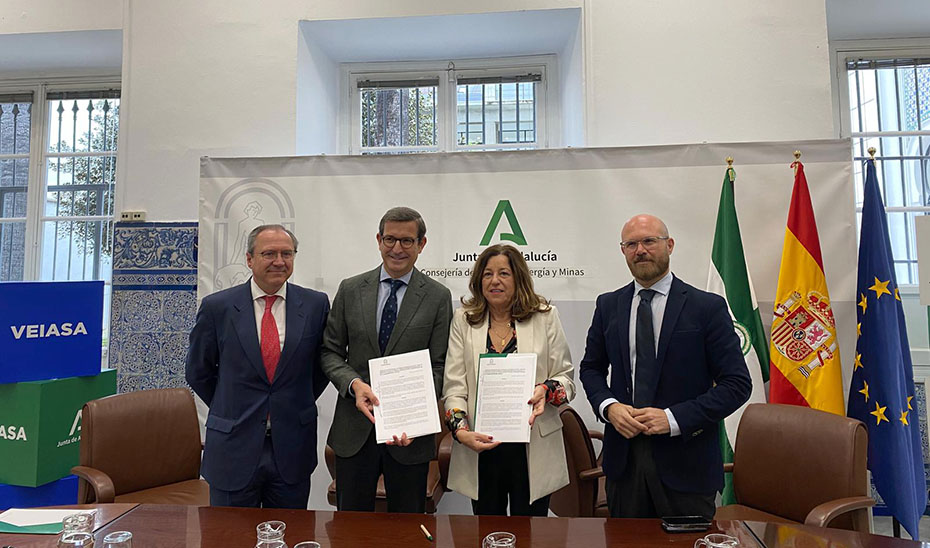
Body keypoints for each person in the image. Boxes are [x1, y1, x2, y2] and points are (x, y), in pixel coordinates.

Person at [578, 214, 751, 519]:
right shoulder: (608, 306)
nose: (640, 250)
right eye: (631, 244)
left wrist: (673, 418)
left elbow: (736, 384)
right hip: (624, 464)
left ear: (669, 245)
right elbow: (591, 369)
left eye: (649, 241)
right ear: (623, 251)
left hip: (687, 463)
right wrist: (609, 407)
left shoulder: (706, 307)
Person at [186, 224, 330, 508]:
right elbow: (198, 370)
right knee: (228, 538)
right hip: (232, 446)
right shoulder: (218, 307)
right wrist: (232, 403)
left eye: (287, 253)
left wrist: (287, 402)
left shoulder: (315, 305)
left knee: (290, 534)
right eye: (269, 253)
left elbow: (322, 367)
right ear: (249, 259)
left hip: (292, 447)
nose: (279, 261)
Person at [321, 206, 453, 513]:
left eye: (407, 241)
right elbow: (330, 351)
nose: (397, 248)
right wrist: (353, 384)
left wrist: (409, 409)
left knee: (406, 530)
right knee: (351, 529)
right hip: (355, 429)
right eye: (390, 239)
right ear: (379, 240)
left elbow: (440, 365)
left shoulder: (437, 296)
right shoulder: (351, 289)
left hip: (409, 436)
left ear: (422, 244)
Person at [443, 244, 575, 516]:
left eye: (504, 273)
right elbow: (454, 387)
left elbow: (566, 380)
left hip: (532, 445)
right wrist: (461, 431)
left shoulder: (545, 316)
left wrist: (546, 390)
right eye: (487, 274)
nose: (494, 280)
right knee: (486, 531)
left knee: (532, 532)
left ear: (518, 278)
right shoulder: (464, 320)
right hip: (481, 445)